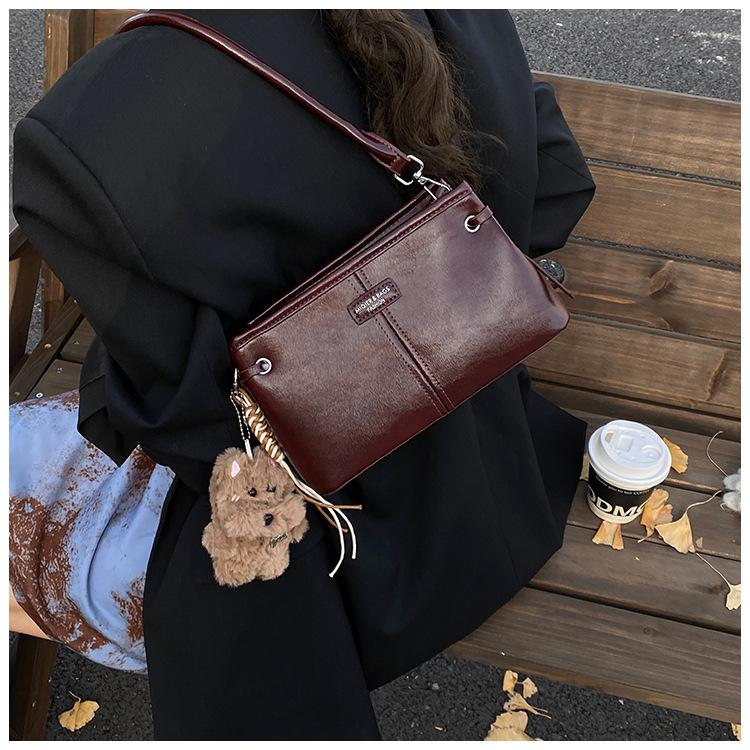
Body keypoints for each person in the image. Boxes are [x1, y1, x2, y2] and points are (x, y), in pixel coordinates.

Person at [11, 9, 595, 740]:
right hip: (501, 477)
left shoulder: (82, 128)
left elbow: (181, 422)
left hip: (317, 556)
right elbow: (556, 187)